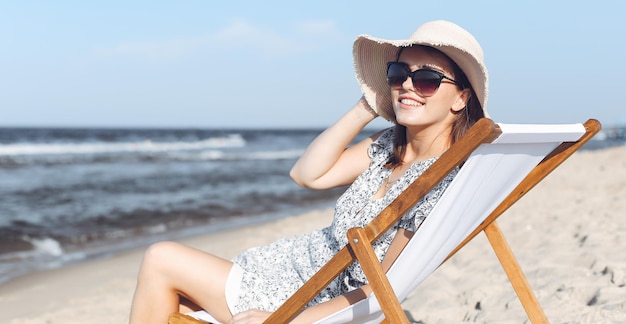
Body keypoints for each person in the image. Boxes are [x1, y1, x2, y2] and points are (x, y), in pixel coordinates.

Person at [129, 20, 488, 324]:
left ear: (460, 98)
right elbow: (306, 174)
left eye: (426, 79)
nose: (408, 86)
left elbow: (386, 286)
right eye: (398, 74)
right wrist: (367, 106)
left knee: (161, 259)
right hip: (286, 272)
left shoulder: (439, 183)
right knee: (170, 301)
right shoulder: (388, 145)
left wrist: (286, 318)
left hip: (313, 299)